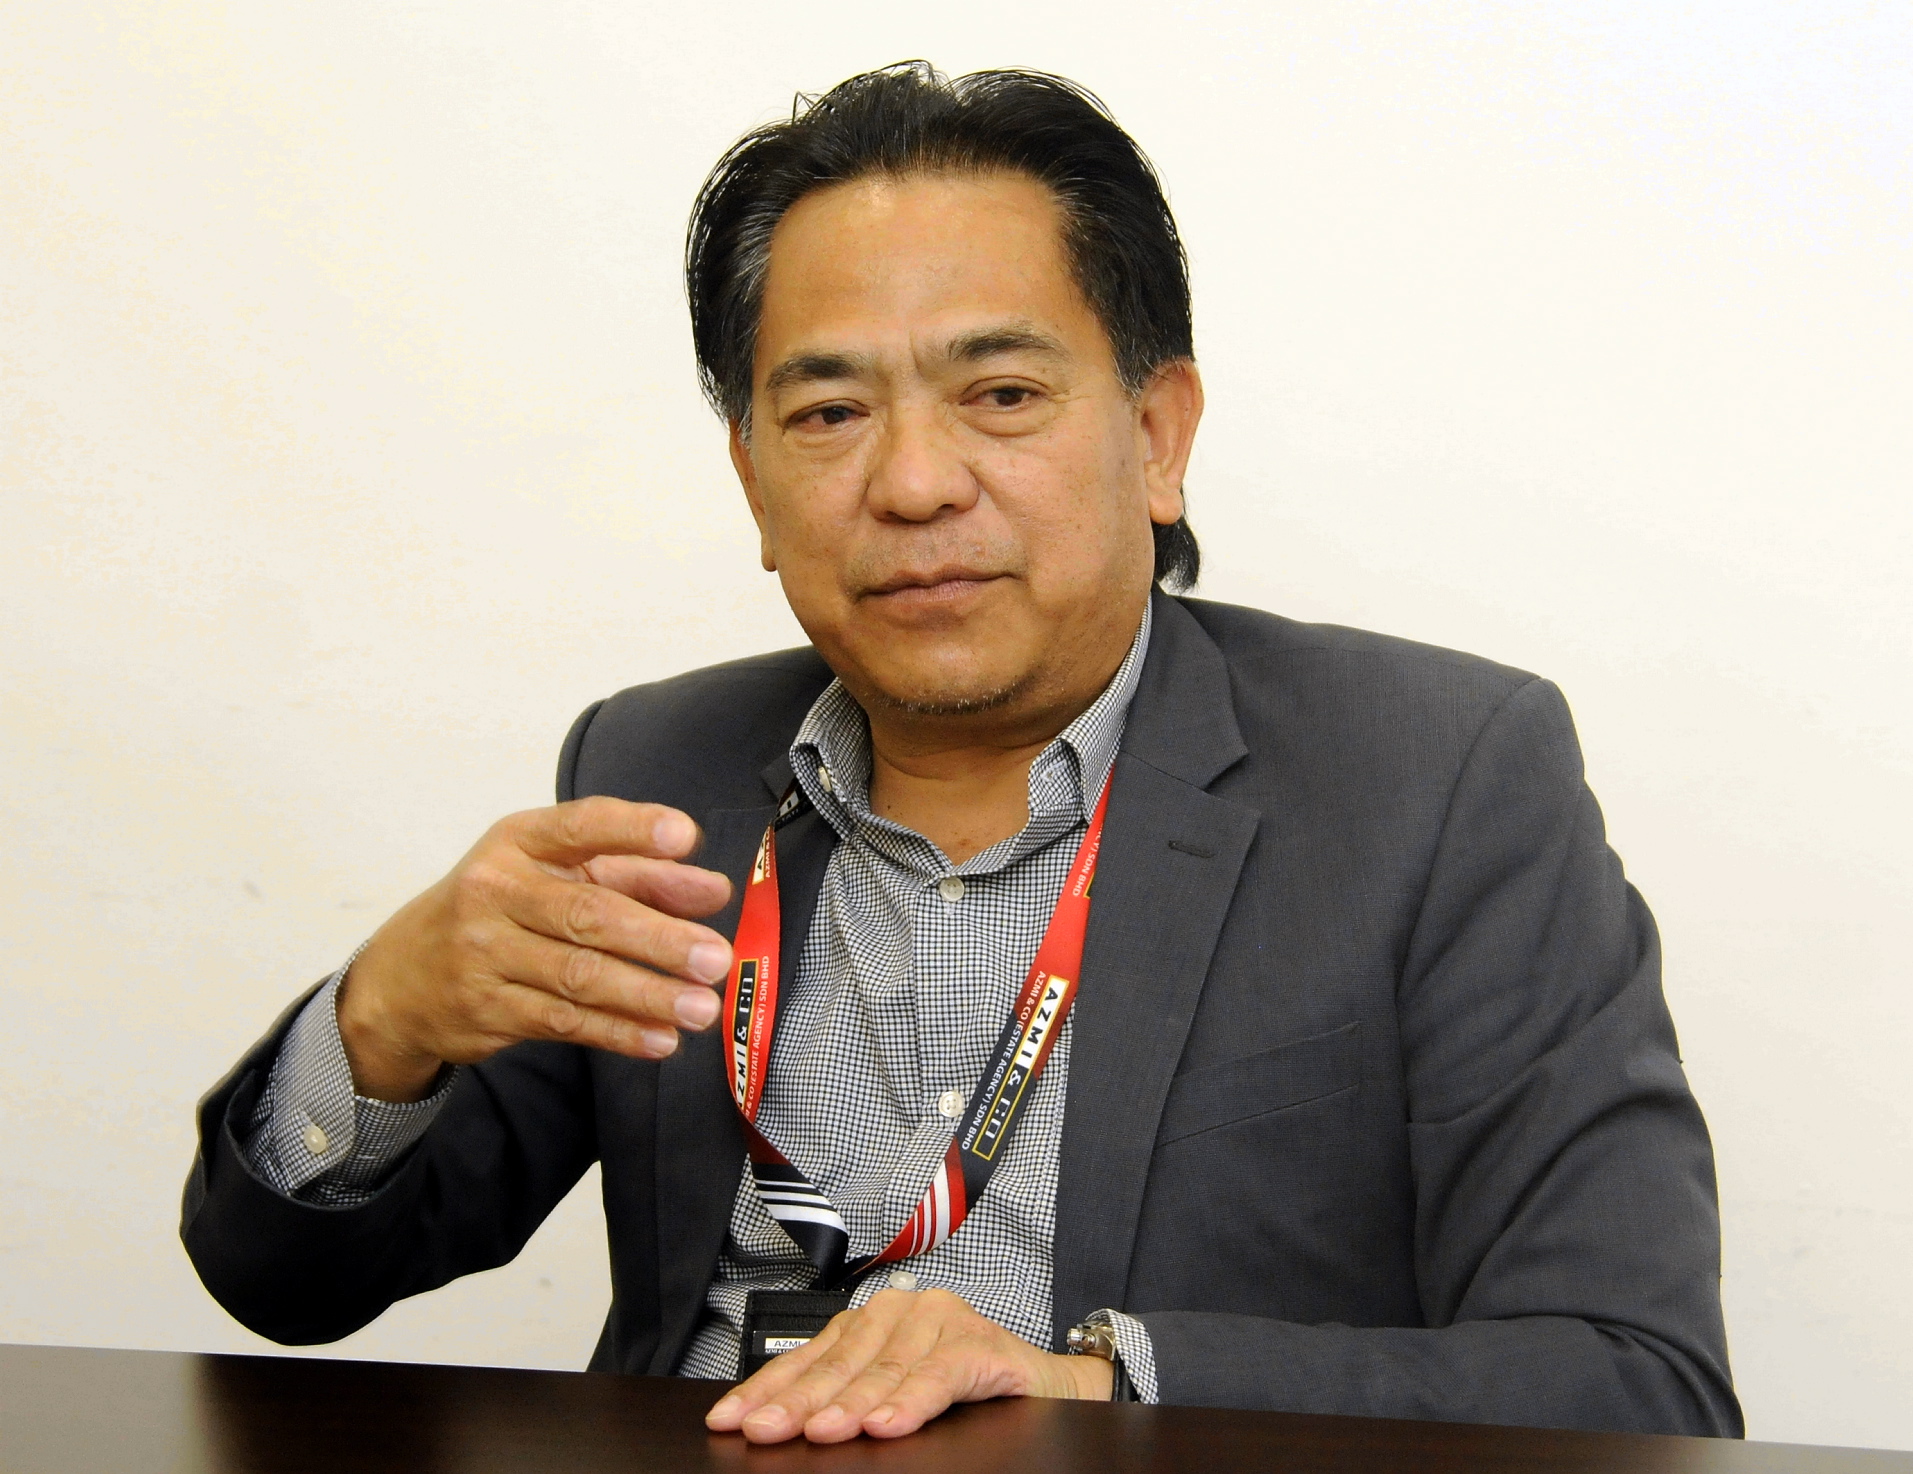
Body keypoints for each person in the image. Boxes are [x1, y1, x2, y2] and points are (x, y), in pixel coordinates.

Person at [181, 62, 1741, 1446]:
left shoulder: (1433, 779)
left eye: (998, 394)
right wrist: (380, 1023)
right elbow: (285, 1286)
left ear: (1156, 434)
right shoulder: (660, 769)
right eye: (828, 412)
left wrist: (1100, 1384)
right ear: (752, 479)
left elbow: (1630, 1383)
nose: (915, 481)